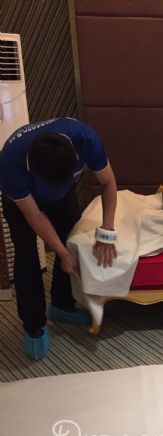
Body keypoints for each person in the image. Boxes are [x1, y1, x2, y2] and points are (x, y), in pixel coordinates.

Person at [0, 117, 118, 360]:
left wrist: (107, 231)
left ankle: (62, 305)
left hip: (63, 196)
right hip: (22, 205)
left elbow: (108, 182)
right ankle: (33, 325)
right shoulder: (10, 164)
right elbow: (35, 215)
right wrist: (61, 254)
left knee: (71, 240)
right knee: (27, 256)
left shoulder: (86, 139)